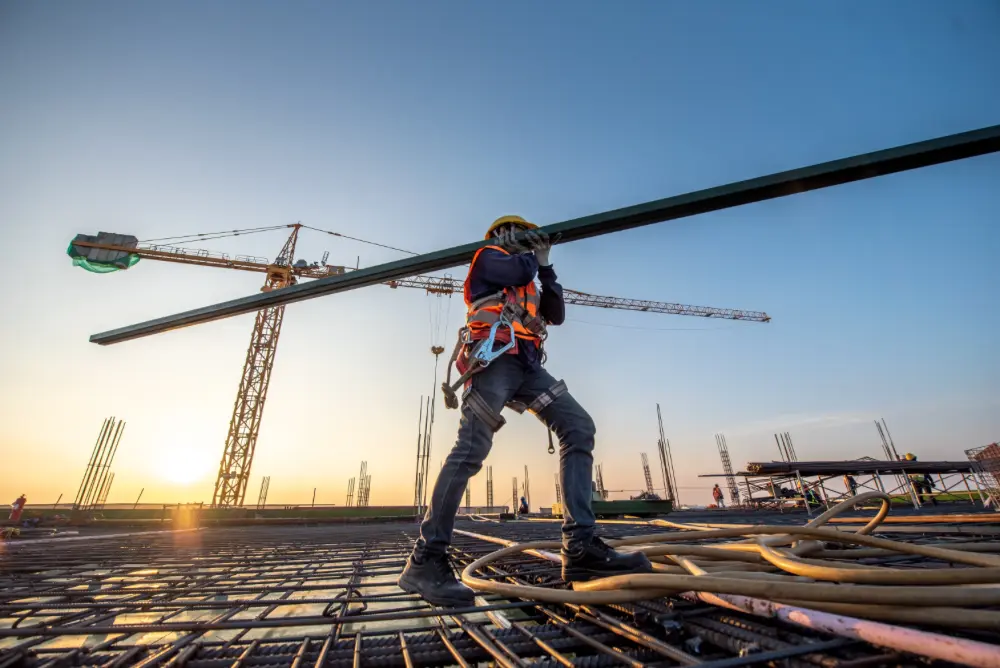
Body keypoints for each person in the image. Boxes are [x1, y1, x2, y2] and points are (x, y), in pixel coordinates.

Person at [398, 215, 652, 607]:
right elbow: (517, 266)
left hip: (527, 366)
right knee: (470, 451)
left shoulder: (530, 276)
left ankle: (581, 548)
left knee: (578, 427)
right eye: (514, 232)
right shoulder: (488, 258)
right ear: (500, 235)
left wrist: (548, 267)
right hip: (494, 360)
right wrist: (532, 254)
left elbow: (556, 313)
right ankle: (426, 559)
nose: (521, 239)